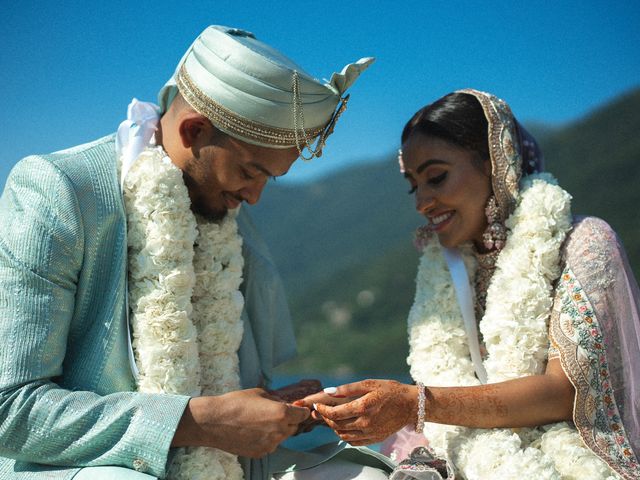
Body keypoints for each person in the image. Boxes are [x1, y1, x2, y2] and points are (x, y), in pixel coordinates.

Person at [0, 25, 391, 480]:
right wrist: (199, 422)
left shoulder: (221, 210)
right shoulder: (59, 190)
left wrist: (271, 411)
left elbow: (220, 399)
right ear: (194, 129)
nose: (256, 197)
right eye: (250, 171)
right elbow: (11, 409)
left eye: (271, 178)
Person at [300, 90, 640, 479]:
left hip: (563, 455)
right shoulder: (445, 269)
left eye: (436, 177)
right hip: (460, 449)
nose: (422, 202)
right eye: (413, 185)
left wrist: (416, 404)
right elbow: (444, 382)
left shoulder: (582, 243)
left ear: (495, 164)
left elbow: (565, 392)